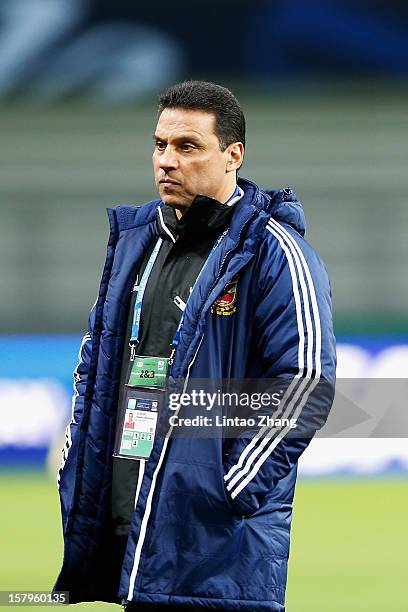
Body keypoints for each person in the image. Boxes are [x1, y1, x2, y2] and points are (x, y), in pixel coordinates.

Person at [54, 80, 336, 612]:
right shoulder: (137, 242)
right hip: (132, 519)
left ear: (233, 155)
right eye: (160, 145)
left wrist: (232, 486)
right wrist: (79, 458)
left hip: (216, 541)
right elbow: (98, 360)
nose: (167, 161)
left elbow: (304, 382)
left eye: (188, 147)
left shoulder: (275, 251)